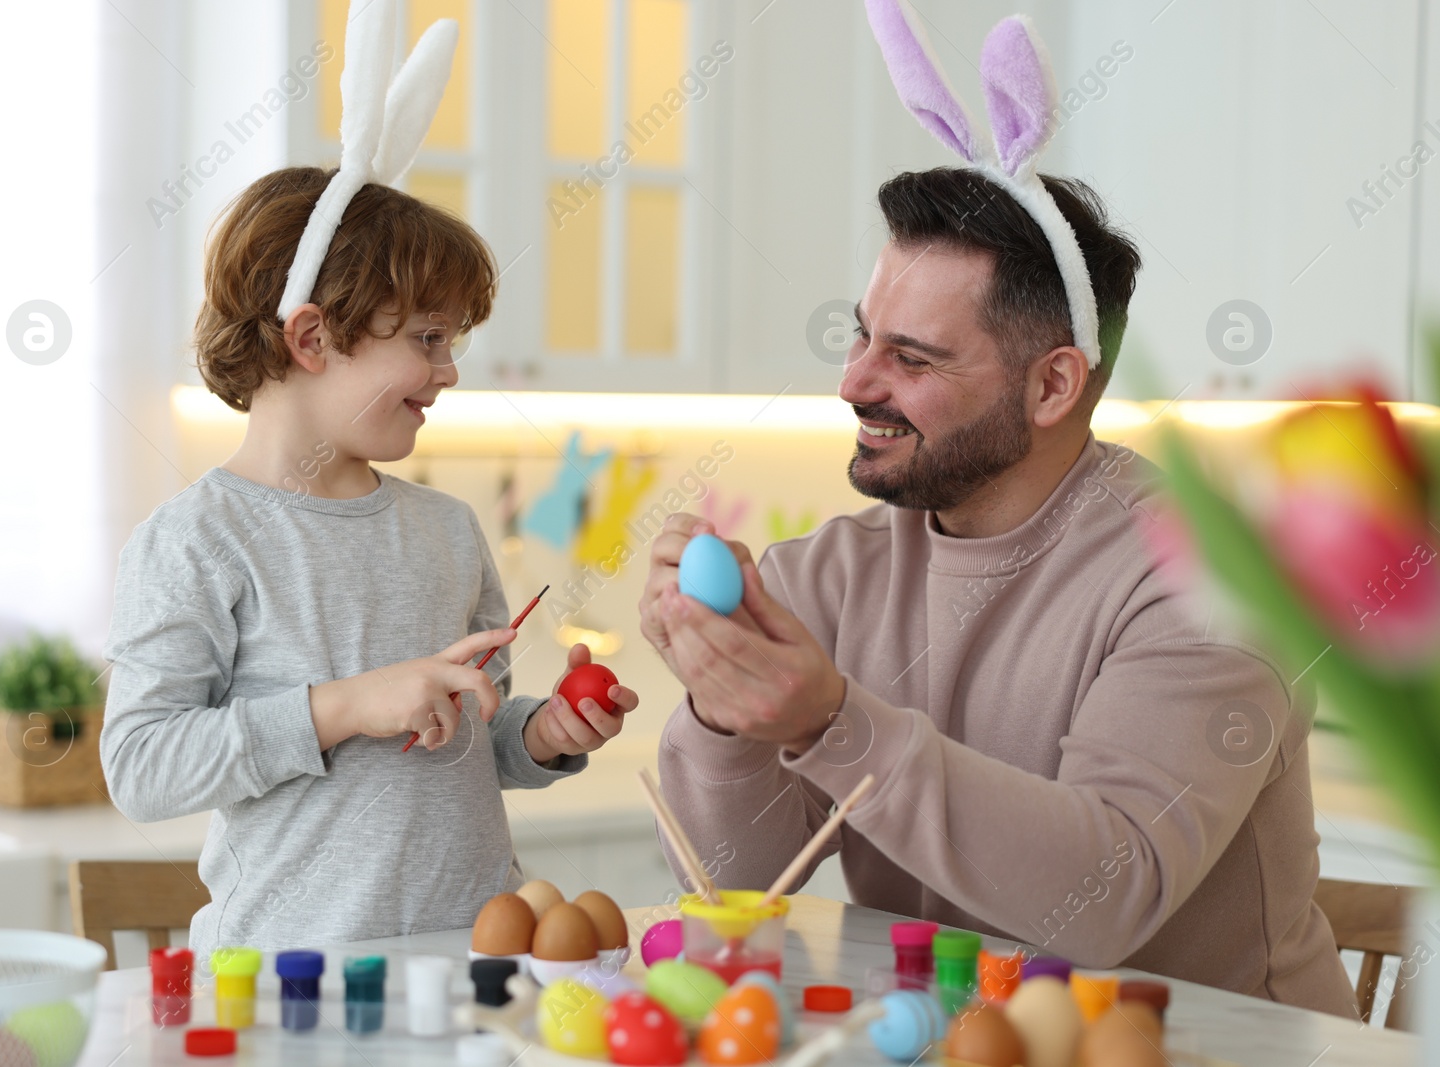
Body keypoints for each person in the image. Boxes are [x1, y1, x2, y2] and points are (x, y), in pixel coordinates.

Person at [642, 166, 1356, 1015]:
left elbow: (1105, 900)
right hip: (949, 1039)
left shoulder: (1206, 582)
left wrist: (831, 723)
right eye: (861, 336)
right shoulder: (830, 572)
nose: (854, 383)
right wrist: (724, 708)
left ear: (1052, 385)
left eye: (910, 358)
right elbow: (730, 883)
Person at [100, 170, 637, 957]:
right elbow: (143, 766)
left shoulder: (448, 530)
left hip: (469, 967)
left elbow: (471, 743)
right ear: (313, 337)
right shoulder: (197, 539)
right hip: (292, 989)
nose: (448, 368)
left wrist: (546, 734)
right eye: (427, 338)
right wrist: (346, 705)